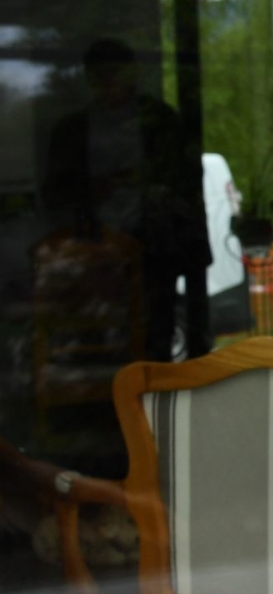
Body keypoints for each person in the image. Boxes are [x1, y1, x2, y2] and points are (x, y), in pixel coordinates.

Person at [42, 38, 212, 360]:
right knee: (104, 343)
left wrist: (150, 188)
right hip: (94, 255)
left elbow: (186, 183)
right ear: (89, 79)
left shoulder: (160, 122)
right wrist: (95, 191)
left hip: (155, 252)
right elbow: (54, 195)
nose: (108, 84)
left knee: (154, 337)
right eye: (99, 76)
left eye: (115, 74)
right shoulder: (73, 130)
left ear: (132, 74)